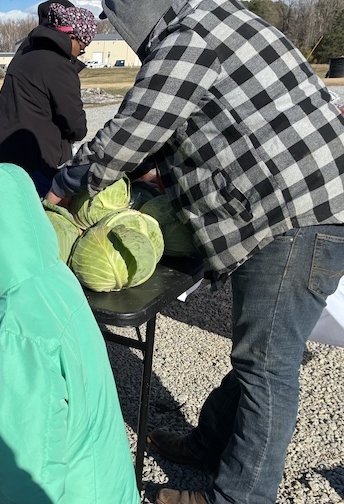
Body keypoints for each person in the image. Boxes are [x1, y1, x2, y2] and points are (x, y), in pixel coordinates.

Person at [45, 1, 344, 502]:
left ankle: (236, 497)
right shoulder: (228, 20)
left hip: (294, 220)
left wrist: (62, 188)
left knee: (267, 367)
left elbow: (132, 130)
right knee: (264, 350)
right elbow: (213, 125)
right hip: (315, 205)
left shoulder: (190, 35)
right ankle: (209, 444)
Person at [0, 162, 140, 504]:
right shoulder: (52, 273)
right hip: (104, 481)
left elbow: (29, 468)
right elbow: (6, 296)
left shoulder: (16, 330)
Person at [0, 3, 96, 197]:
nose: (79, 53)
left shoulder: (26, 52)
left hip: (3, 151)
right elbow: (75, 125)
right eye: (82, 47)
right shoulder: (59, 65)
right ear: (72, 37)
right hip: (34, 161)